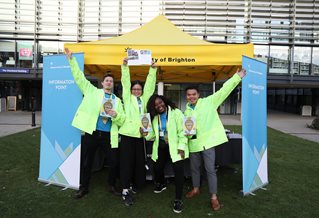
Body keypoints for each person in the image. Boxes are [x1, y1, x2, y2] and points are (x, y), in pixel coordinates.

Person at [64, 48, 125, 199]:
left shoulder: (117, 101)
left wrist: (115, 115)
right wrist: (71, 61)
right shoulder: (92, 92)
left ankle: (111, 185)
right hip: (92, 132)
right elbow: (79, 78)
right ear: (102, 83)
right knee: (87, 161)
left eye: (111, 81)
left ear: (113, 84)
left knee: (113, 162)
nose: (109, 82)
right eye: (107, 80)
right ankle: (84, 187)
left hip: (108, 135)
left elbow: (122, 119)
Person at [184, 68, 246, 211]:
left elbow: (224, 91)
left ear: (198, 95)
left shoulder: (208, 102)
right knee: (194, 169)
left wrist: (237, 77)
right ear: (186, 96)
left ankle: (213, 197)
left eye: (194, 94)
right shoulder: (186, 111)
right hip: (193, 145)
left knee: (210, 170)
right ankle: (195, 188)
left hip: (207, 144)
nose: (191, 97)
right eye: (189, 95)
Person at [119, 57, 157, 206]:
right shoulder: (127, 98)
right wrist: (125, 66)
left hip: (141, 135)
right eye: (134, 89)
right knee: (127, 163)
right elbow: (125, 82)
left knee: (139, 162)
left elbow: (149, 86)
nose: (136, 91)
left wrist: (152, 69)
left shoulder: (145, 98)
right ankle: (125, 188)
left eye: (138, 89)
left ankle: (136, 185)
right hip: (128, 135)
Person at [142, 94, 188, 213]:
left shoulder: (176, 112)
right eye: (156, 105)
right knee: (157, 167)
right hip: (161, 145)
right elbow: (153, 135)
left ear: (164, 101)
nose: (159, 106)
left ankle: (178, 199)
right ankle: (162, 184)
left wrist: (181, 147)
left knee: (178, 171)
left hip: (176, 146)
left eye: (160, 102)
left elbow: (183, 132)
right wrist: (146, 134)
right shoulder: (155, 117)